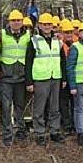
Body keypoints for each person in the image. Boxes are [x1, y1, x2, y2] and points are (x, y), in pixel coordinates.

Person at [25, 12, 66, 145]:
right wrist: (29, 81)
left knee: (55, 107)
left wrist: (63, 78)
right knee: (39, 108)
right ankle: (40, 133)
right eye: (44, 24)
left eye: (49, 24)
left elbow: (62, 61)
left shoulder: (57, 41)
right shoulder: (34, 40)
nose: (47, 26)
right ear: (40, 25)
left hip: (55, 78)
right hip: (41, 79)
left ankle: (54, 131)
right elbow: (29, 62)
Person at [0, 10, 30, 146]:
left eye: (18, 20)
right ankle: (7, 133)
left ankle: (20, 130)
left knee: (20, 105)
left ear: (22, 22)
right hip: (6, 78)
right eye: (13, 20)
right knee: (6, 107)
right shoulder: (2, 35)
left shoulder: (28, 35)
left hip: (21, 77)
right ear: (9, 22)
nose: (16, 23)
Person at [59, 19, 75, 134]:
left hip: (75, 78)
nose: (68, 34)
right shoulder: (58, 45)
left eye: (70, 32)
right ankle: (67, 124)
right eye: (66, 32)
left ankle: (75, 123)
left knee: (75, 102)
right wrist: (63, 78)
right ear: (62, 33)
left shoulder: (77, 45)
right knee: (63, 103)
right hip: (63, 79)